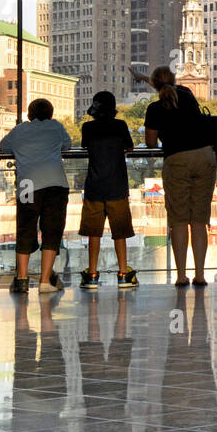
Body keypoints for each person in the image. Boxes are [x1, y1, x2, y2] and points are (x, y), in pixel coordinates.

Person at [133, 65, 216, 286]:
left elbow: (151, 142)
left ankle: (180, 275)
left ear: (155, 85)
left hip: (177, 160)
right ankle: (200, 275)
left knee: (179, 221)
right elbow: (169, 88)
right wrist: (148, 79)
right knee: (199, 221)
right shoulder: (188, 95)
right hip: (204, 157)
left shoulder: (154, 108)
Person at [0, 98, 72, 294]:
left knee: (25, 228)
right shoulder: (56, 127)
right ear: (50, 114)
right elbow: (67, 145)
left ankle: (21, 279)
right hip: (55, 183)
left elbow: (3, 147)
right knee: (52, 231)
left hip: (27, 184)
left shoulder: (20, 130)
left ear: (29, 115)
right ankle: (45, 281)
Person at [78, 91, 139, 290]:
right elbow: (129, 147)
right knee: (119, 232)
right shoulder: (120, 126)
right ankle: (123, 274)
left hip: (94, 186)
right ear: (113, 109)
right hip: (117, 186)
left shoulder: (88, 127)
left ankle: (92, 274)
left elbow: (86, 146)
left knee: (93, 233)